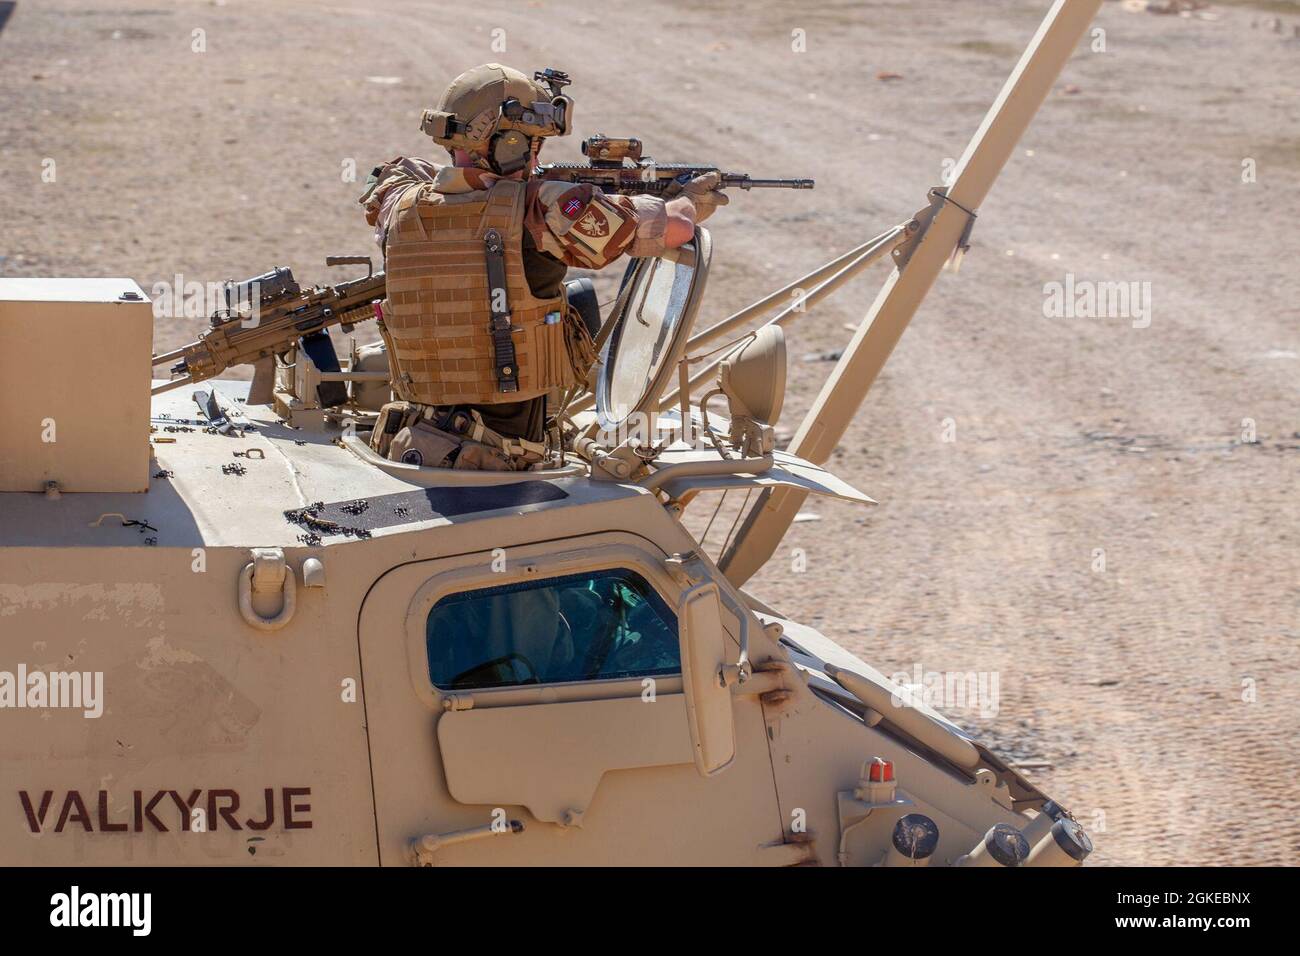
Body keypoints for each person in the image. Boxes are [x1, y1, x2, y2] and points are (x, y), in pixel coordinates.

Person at [360, 63, 726, 470]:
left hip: (416, 445)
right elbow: (671, 228)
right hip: (494, 464)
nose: (537, 157)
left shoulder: (399, 205)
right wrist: (690, 199)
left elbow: (396, 180)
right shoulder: (543, 207)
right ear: (511, 141)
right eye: (533, 143)